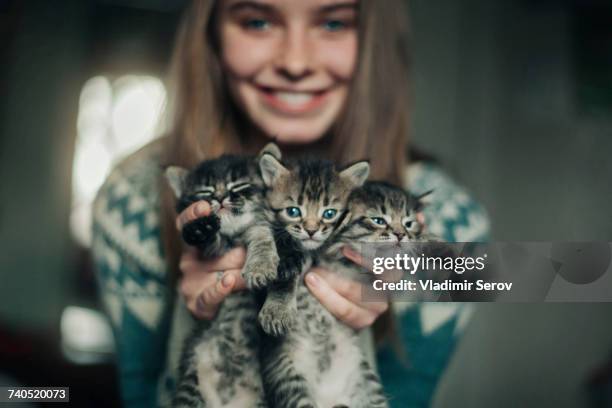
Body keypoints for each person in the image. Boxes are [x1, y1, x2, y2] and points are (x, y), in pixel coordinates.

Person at [91, 0, 490, 407]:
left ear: (374, 42)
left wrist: (370, 299)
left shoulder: (456, 226)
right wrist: (193, 316)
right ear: (210, 34)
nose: (296, 62)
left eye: (333, 23)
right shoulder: (133, 204)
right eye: (258, 22)